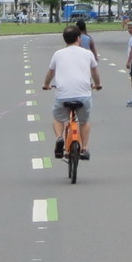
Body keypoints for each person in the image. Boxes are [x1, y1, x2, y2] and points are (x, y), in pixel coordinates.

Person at [41, 25, 102, 161]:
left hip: (63, 96)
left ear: (65, 40)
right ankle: (84, 148)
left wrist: (46, 85)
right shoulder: (88, 54)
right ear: (78, 38)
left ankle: (59, 138)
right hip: (84, 96)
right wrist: (98, 84)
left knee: (58, 119)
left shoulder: (58, 54)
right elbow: (94, 72)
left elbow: (51, 72)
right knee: (84, 121)